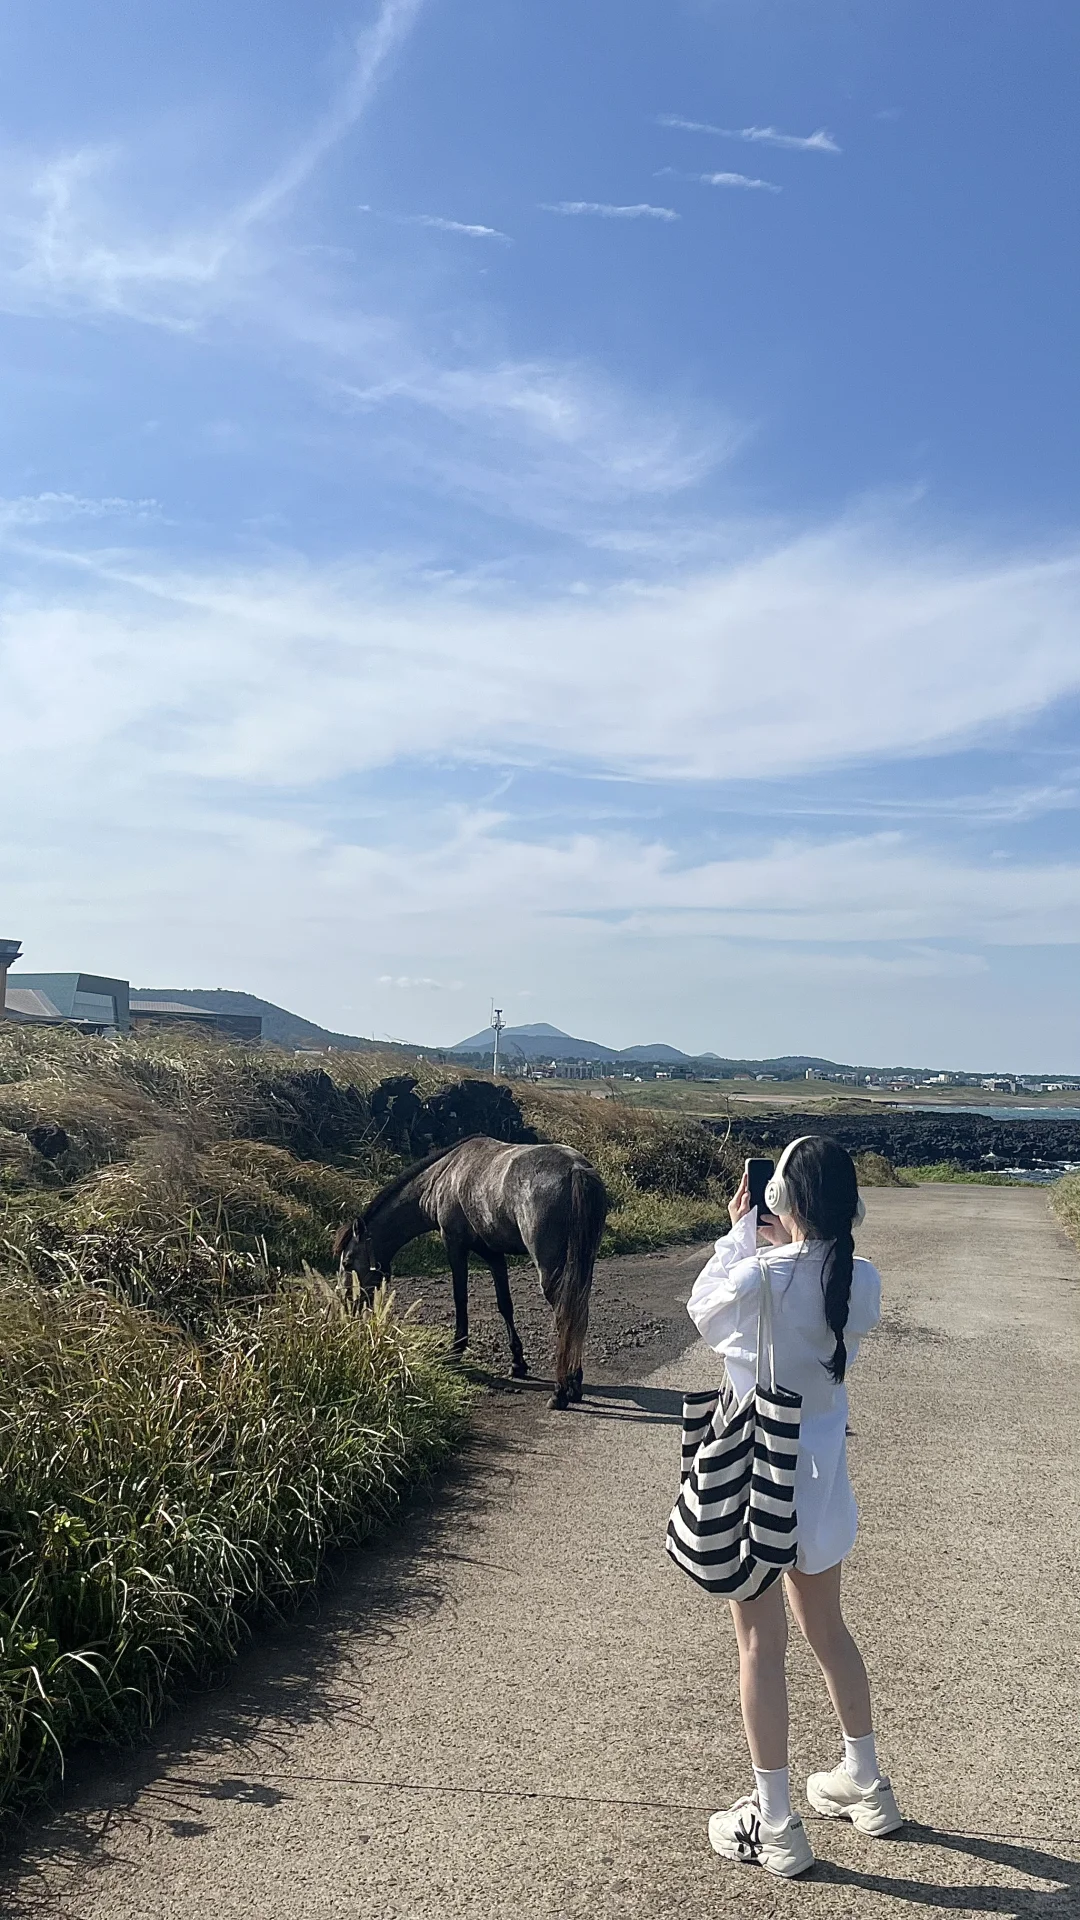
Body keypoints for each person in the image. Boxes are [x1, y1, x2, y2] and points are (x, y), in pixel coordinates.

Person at [685, 1133, 902, 1879]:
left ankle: (775, 1823)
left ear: (780, 1199)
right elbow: (825, 1280)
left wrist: (738, 1234)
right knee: (829, 1630)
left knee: (759, 1648)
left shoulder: (757, 1279)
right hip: (822, 1484)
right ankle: (866, 1785)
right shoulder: (862, 1279)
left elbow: (704, 1312)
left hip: (756, 1483)